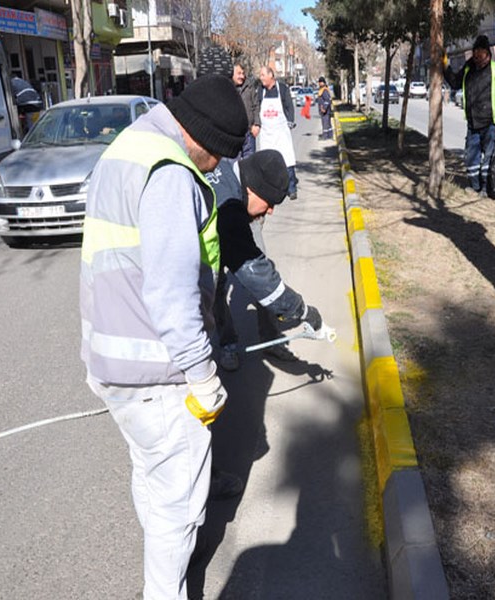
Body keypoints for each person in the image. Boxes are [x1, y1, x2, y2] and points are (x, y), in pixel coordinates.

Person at [79, 74, 249, 600]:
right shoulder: (171, 174)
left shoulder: (129, 146)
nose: (217, 166)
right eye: (218, 155)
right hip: (159, 371)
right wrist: (203, 375)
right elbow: (173, 293)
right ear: (201, 137)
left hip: (114, 363)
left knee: (151, 479)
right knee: (178, 506)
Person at [207, 150, 324, 371]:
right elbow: (256, 274)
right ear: (252, 189)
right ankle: (227, 344)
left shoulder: (232, 177)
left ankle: (269, 339)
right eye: (269, 203)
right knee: (218, 285)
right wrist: (302, 311)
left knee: (261, 267)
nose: (270, 211)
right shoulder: (228, 208)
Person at [444, 35, 495, 200]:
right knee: (471, 158)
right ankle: (475, 186)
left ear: (488, 54)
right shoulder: (468, 68)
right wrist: (445, 66)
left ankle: (488, 189)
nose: (478, 57)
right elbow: (454, 83)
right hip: (473, 123)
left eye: (481, 53)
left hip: (491, 124)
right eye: (476, 53)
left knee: (489, 159)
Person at [257, 66, 299, 200]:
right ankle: (271, 189)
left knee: (287, 158)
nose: (261, 78)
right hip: (266, 133)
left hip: (281, 131)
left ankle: (291, 188)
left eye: (263, 75)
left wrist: (291, 121)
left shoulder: (282, 89)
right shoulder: (260, 91)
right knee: (267, 161)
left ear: (271, 76)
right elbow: (256, 107)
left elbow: (289, 106)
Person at [233, 63, 262, 158]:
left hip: (249, 133)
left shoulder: (250, 86)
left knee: (250, 165)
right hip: (233, 134)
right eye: (239, 73)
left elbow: (256, 106)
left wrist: (257, 124)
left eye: (243, 73)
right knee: (233, 167)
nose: (242, 76)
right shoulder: (227, 87)